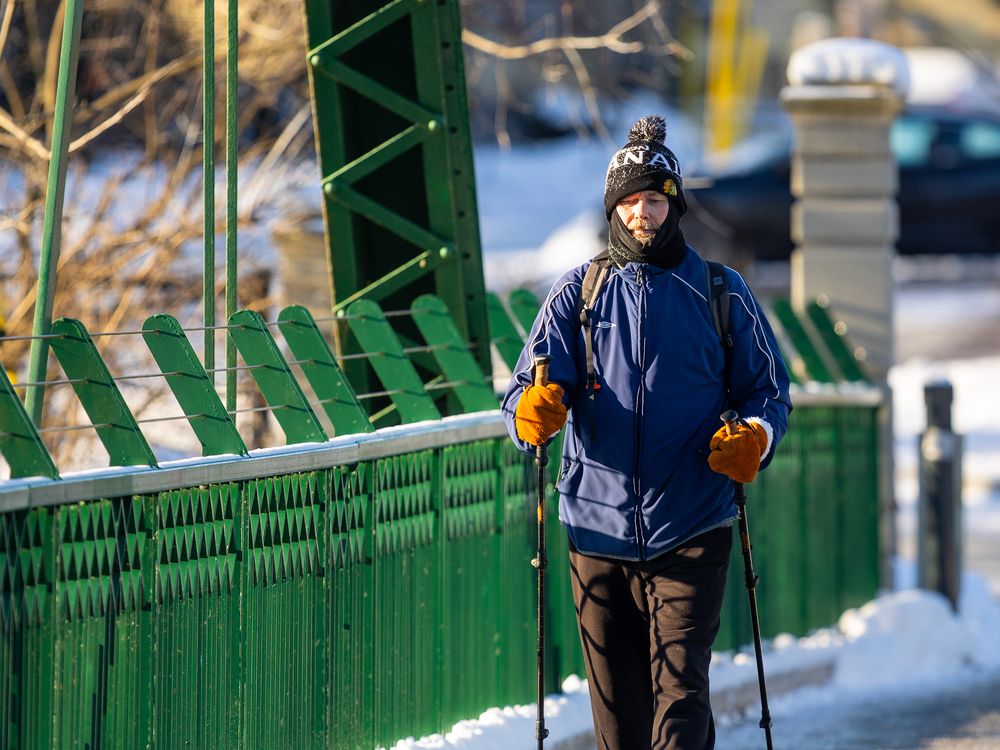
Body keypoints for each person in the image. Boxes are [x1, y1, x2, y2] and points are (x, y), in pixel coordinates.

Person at [501, 115, 792, 750]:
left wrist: (755, 439)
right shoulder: (577, 293)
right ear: (612, 208)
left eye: (654, 199)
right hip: (595, 532)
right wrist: (533, 413)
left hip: (693, 523)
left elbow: (769, 392)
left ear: (674, 205)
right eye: (629, 201)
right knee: (619, 721)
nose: (642, 214)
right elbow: (524, 396)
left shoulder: (720, 291)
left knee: (681, 699)